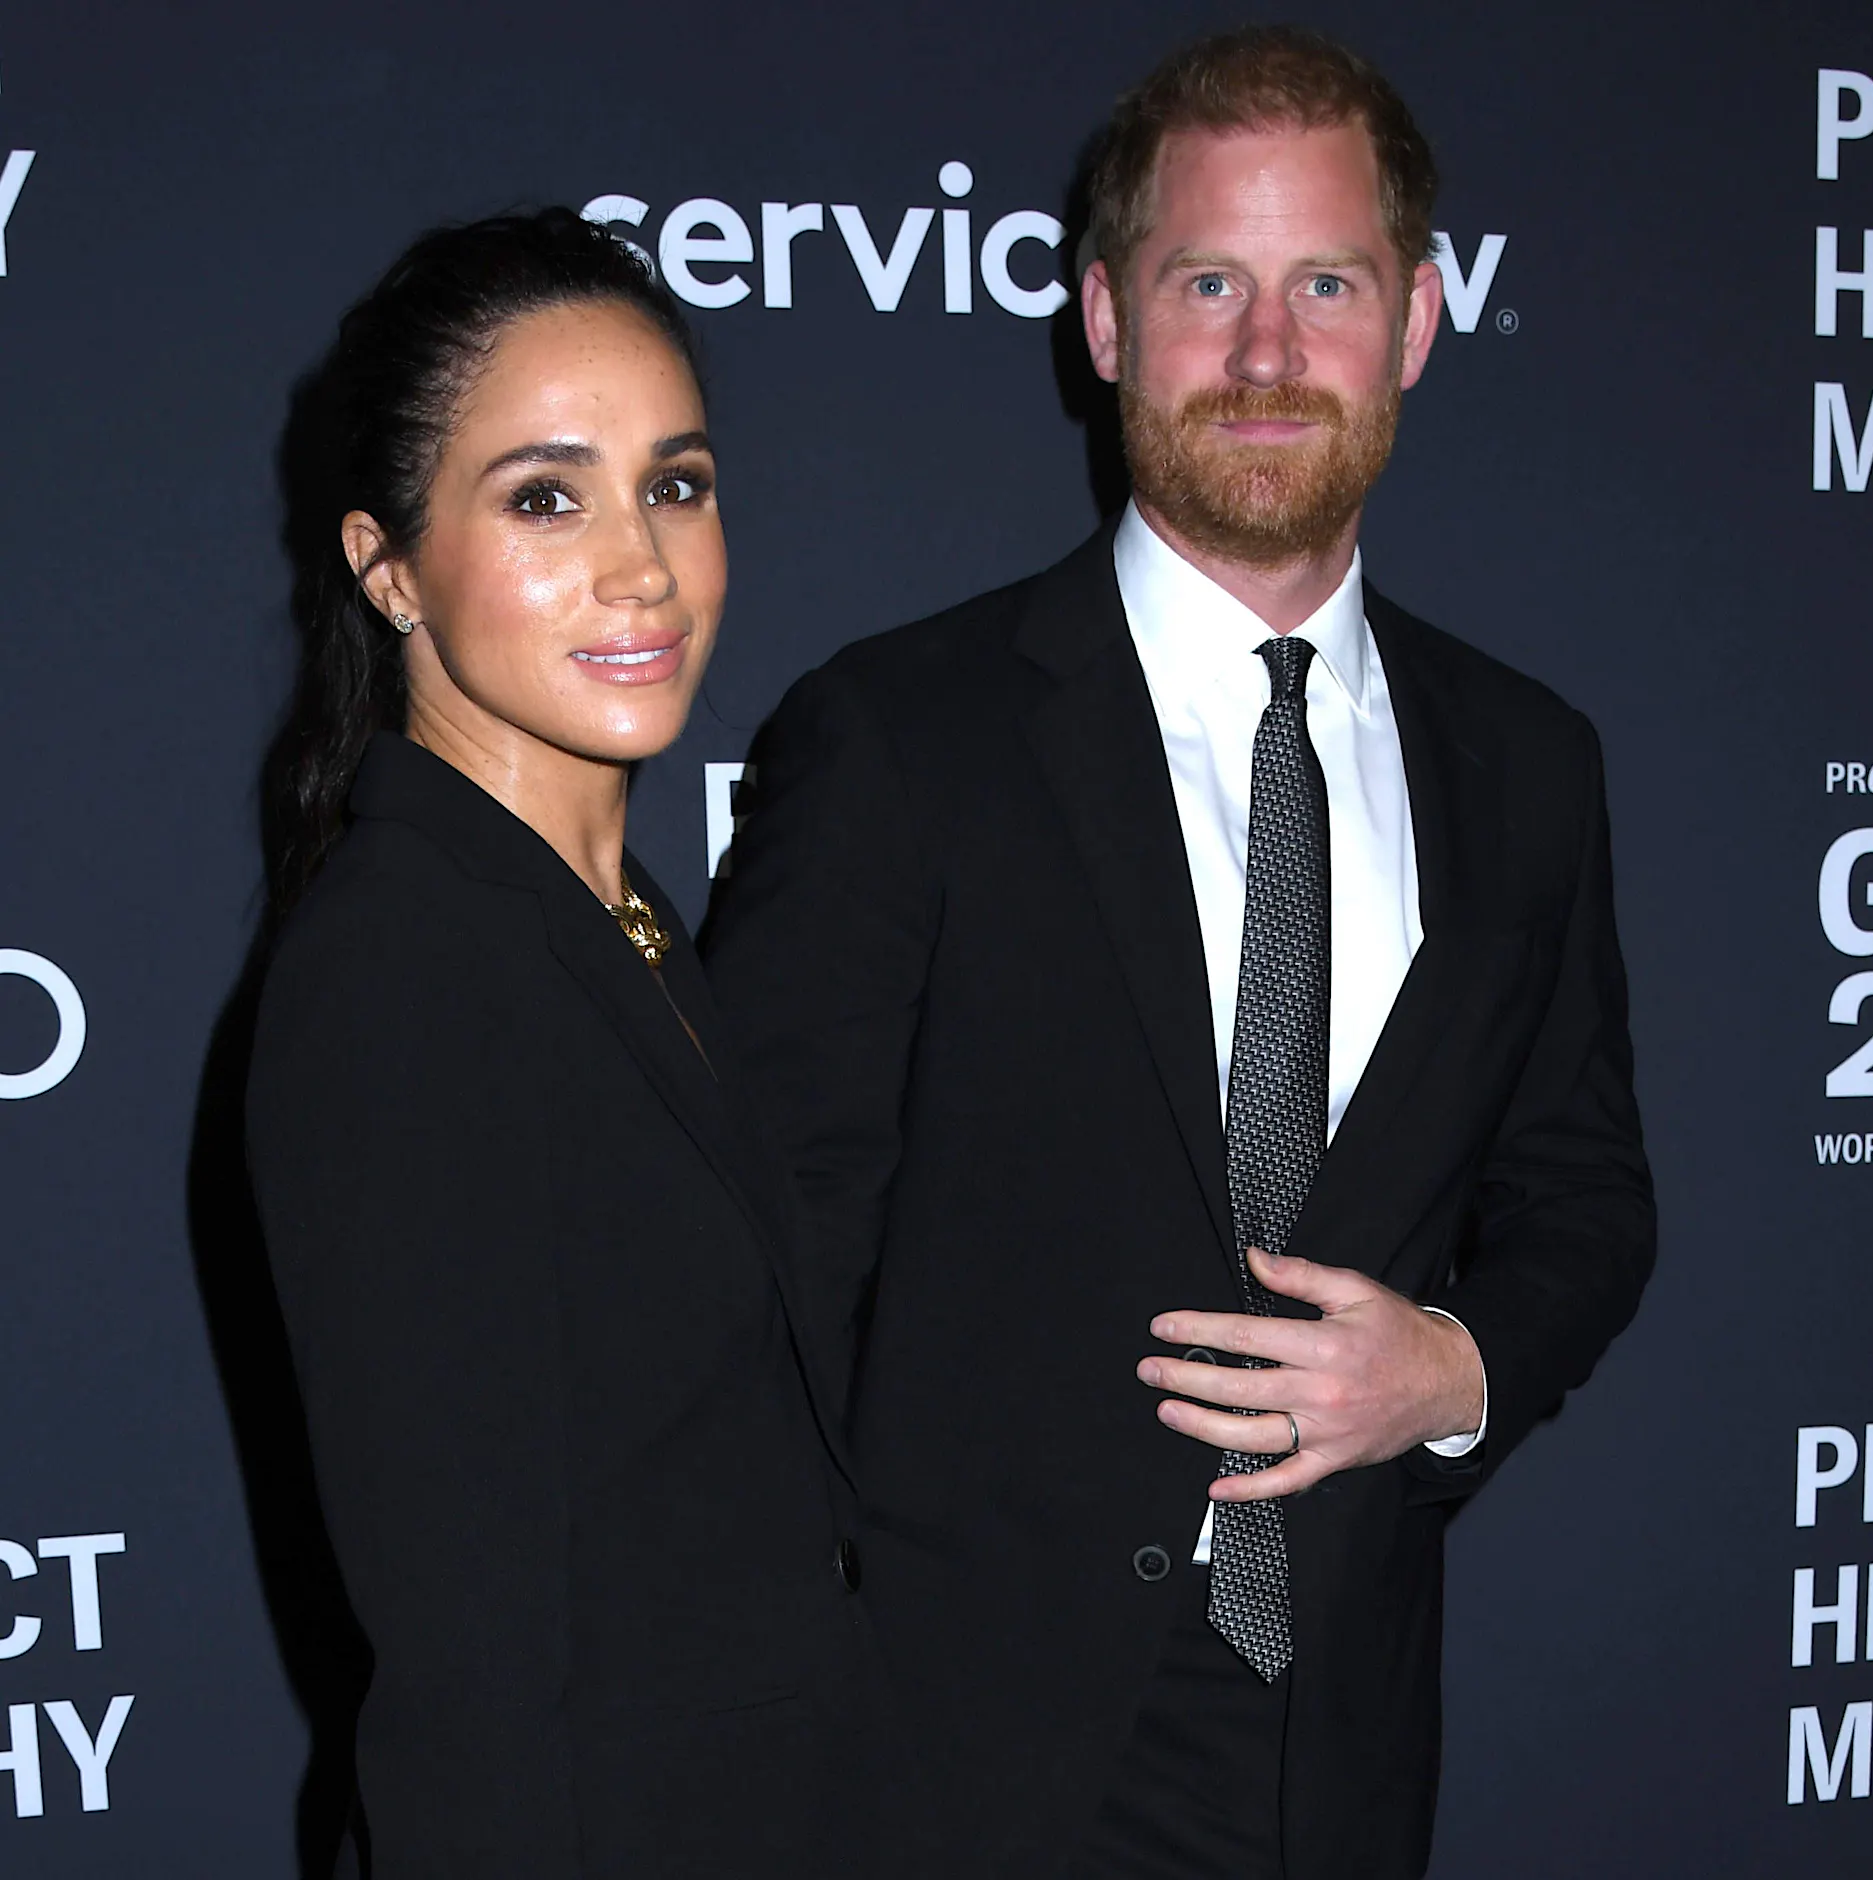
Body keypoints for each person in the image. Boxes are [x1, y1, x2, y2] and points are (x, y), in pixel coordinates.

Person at [701, 26, 1654, 1880]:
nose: (1270, 353)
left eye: (1329, 286)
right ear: (1106, 321)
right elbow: (758, 1269)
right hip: (950, 1762)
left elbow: (1587, 1194)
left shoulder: (1530, 764)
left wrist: (1451, 1369)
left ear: (1418, 321)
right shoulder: (900, 737)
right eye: (1210, 283)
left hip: (1346, 1741)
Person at [246, 209, 926, 1879]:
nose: (642, 566)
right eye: (545, 498)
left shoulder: (617, 921)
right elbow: (465, 1667)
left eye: (674, 486)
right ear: (387, 565)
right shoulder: (403, 970)